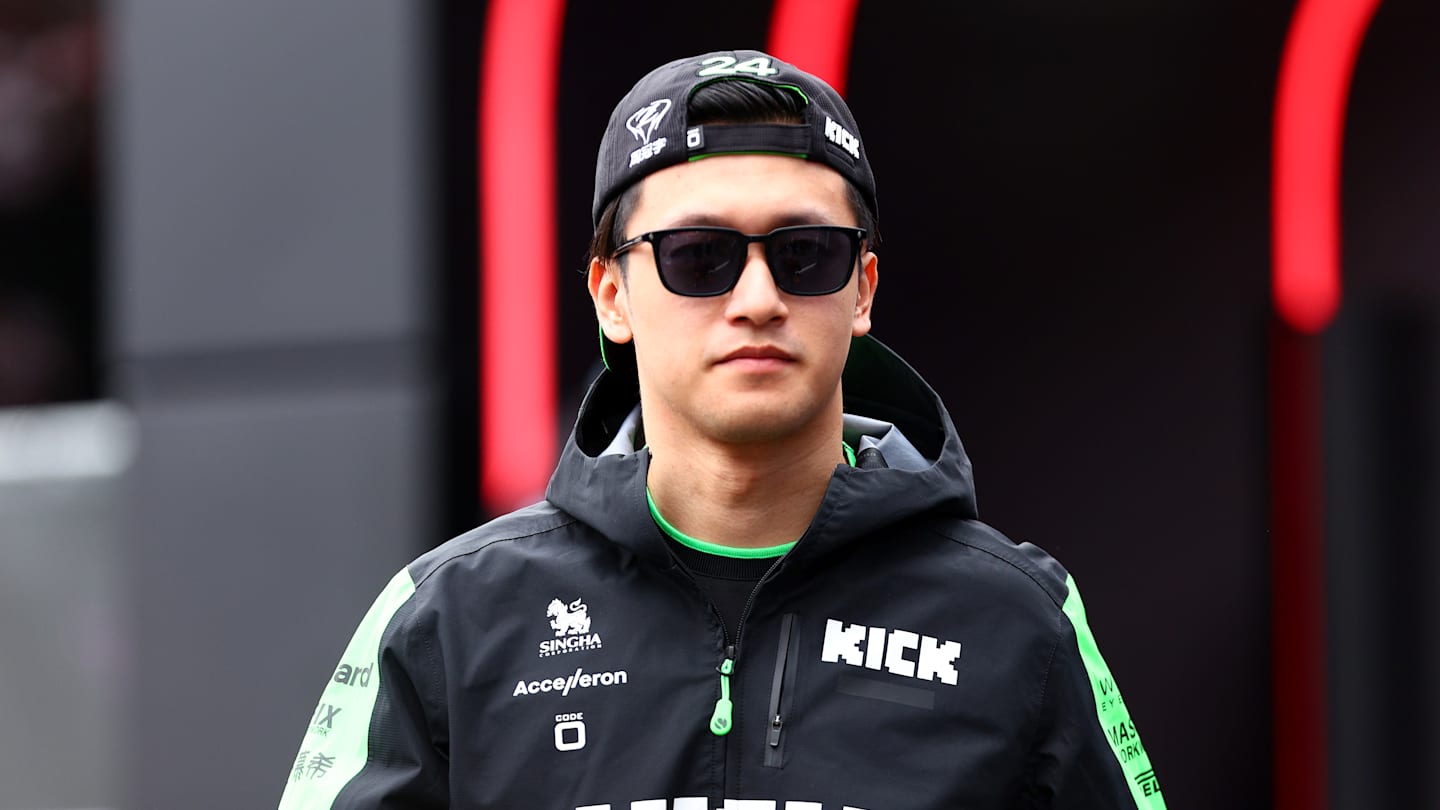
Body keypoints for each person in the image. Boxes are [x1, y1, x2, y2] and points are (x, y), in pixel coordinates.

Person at [278, 49, 1166, 810]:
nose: (757, 300)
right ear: (612, 295)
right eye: (697, 256)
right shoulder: (450, 618)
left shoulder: (1017, 619)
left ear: (861, 290)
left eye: (804, 254)